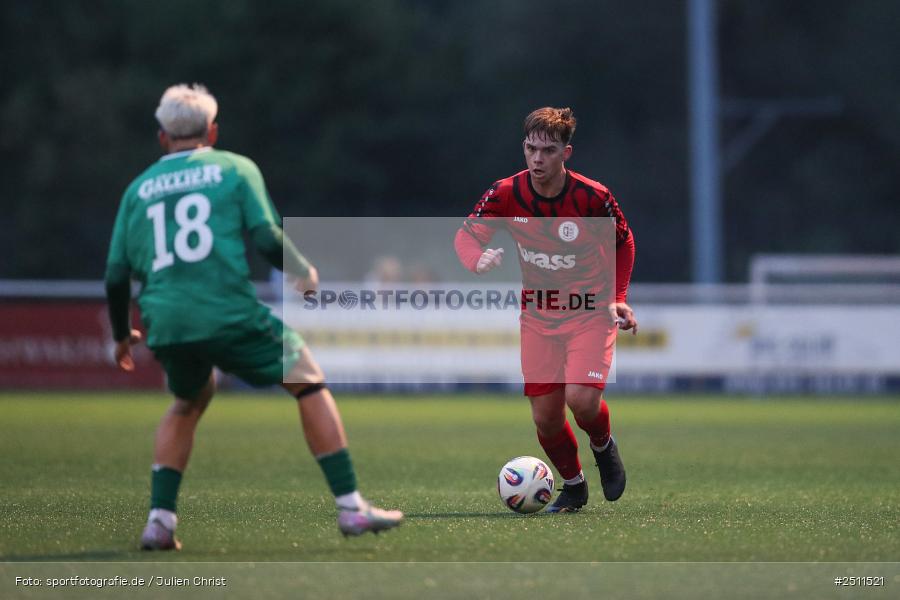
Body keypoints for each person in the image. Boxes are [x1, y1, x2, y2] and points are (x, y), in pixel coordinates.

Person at [105, 83, 403, 550]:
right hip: (226, 311)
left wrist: (123, 336)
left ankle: (159, 522)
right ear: (213, 131)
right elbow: (265, 237)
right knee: (308, 379)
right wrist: (302, 271)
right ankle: (351, 508)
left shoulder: (138, 189)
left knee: (188, 400)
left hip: (167, 321)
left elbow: (116, 274)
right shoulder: (234, 168)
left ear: (162, 137)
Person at [454, 107, 637, 513]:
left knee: (582, 400)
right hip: (538, 316)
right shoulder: (505, 192)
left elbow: (624, 242)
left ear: (565, 153)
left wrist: (619, 296)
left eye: (548, 151)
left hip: (589, 310)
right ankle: (573, 485)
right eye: (531, 149)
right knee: (546, 419)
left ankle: (603, 445)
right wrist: (476, 260)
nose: (537, 159)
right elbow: (467, 237)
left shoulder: (593, 197)